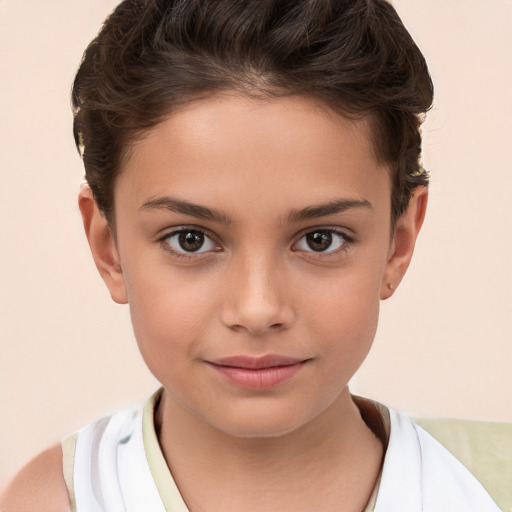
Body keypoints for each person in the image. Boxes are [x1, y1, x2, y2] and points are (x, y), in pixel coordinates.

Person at [1, 0, 511, 510]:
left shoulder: (491, 485)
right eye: (191, 240)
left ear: (398, 243)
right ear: (108, 247)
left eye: (320, 239)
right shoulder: (54, 500)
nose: (257, 309)